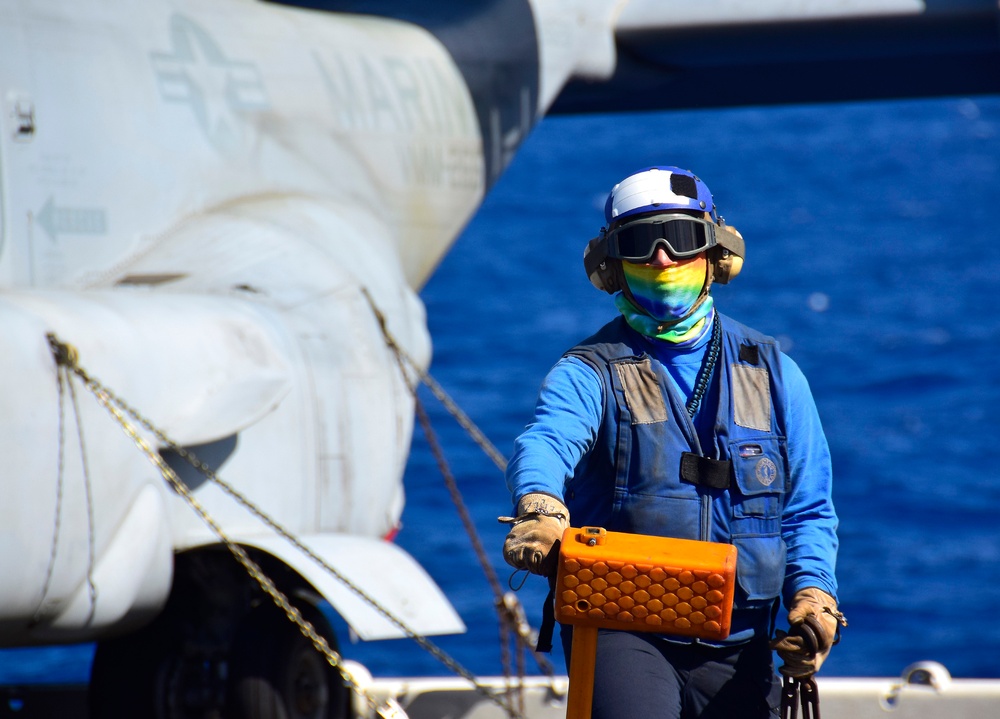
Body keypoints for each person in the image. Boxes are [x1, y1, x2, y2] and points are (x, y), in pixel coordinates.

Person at [500, 166, 844, 718]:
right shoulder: (589, 372)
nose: (662, 258)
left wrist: (813, 598)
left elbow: (807, 509)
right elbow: (546, 440)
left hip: (741, 641)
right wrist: (539, 505)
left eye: (680, 239)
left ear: (714, 254)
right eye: (641, 243)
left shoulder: (777, 374)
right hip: (622, 622)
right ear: (614, 266)